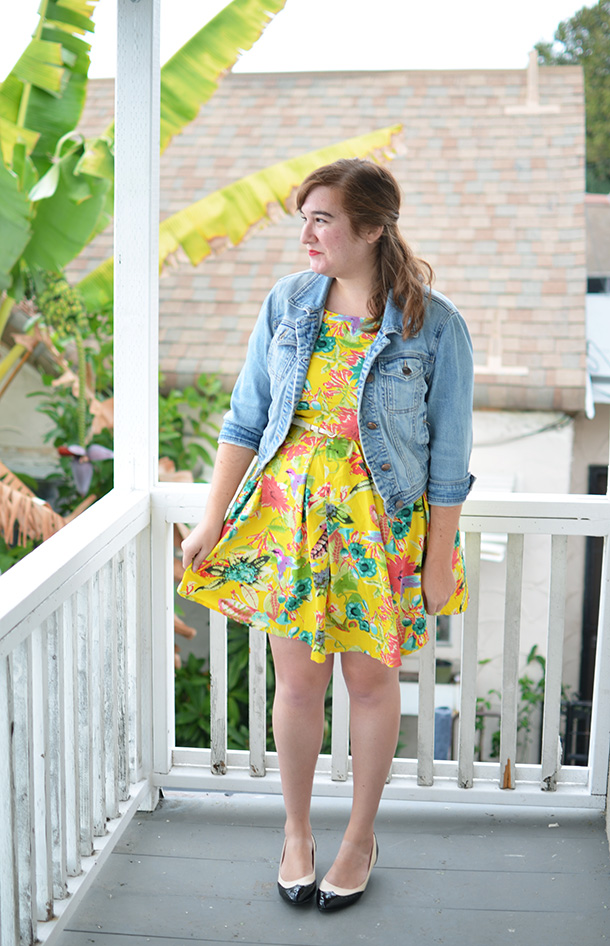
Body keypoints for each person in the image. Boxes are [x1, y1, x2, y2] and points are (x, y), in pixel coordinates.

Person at [179, 158, 474, 912]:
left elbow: (451, 457)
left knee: (372, 686)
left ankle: (359, 837)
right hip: (290, 521)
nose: (306, 233)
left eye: (322, 219)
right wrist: (212, 518)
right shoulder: (286, 304)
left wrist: (439, 558)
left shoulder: (435, 327)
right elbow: (246, 419)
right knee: (300, 684)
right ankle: (300, 833)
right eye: (303, 217)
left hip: (381, 527)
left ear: (372, 228)